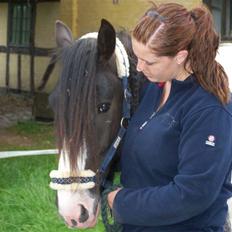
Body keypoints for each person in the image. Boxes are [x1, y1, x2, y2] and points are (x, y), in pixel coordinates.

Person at [107, 2, 232, 232]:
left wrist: (121, 202)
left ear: (180, 56)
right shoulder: (155, 88)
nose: (139, 68)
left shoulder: (210, 110)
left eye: (150, 61)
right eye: (138, 57)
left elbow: (192, 194)